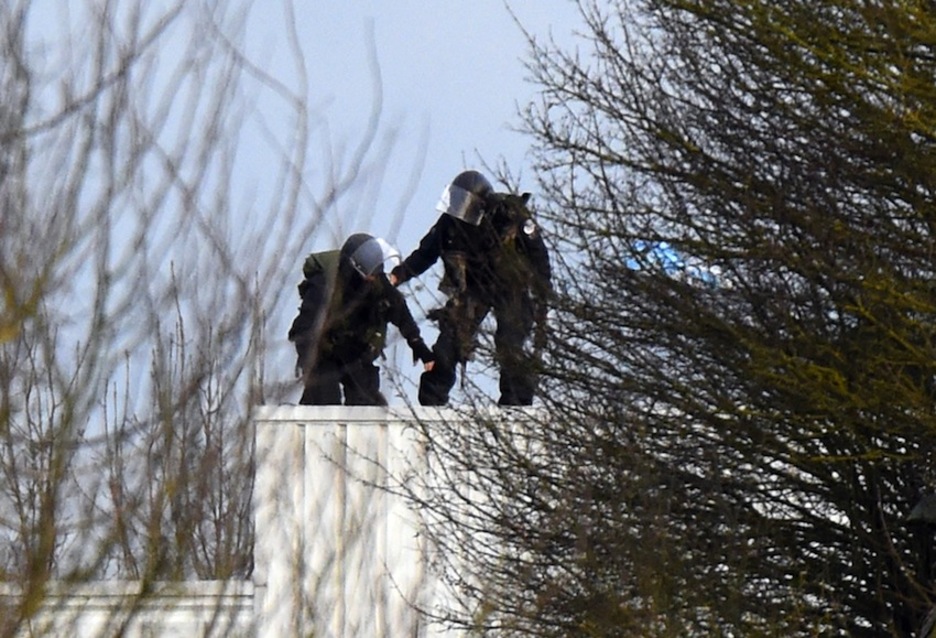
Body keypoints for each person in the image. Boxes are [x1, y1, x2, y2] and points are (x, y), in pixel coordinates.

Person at [389, 170, 551, 406]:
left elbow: (539, 256)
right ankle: (431, 404)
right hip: (473, 290)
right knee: (448, 345)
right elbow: (426, 253)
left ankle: (516, 405)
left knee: (510, 345)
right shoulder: (450, 223)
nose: (461, 209)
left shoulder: (511, 216)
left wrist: (542, 293)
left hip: (511, 288)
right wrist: (398, 276)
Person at [288, 233, 435, 405]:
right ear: (351, 267)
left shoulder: (377, 283)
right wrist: (310, 364)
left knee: (365, 404)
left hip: (354, 351)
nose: (372, 279)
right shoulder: (324, 285)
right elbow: (305, 329)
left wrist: (418, 345)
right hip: (322, 351)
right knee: (325, 400)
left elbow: (400, 311)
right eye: (368, 274)